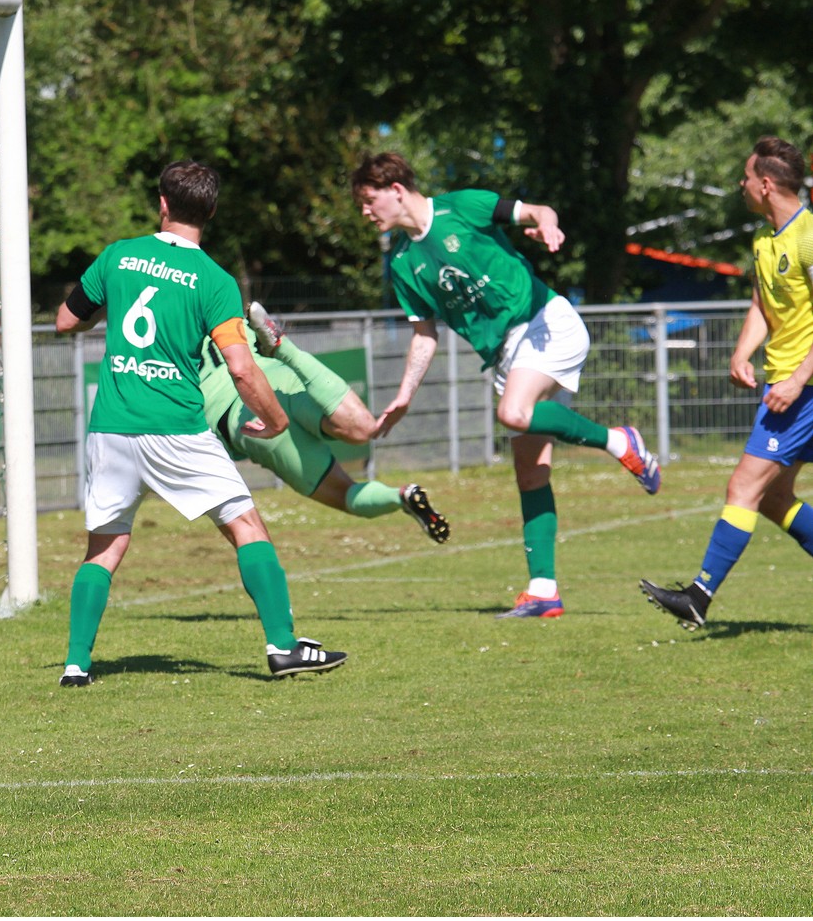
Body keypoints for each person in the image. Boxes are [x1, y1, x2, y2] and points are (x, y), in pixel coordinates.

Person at [55, 160, 346, 685]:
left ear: (163, 203)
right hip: (176, 427)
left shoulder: (117, 256)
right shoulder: (214, 280)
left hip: (112, 426)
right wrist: (277, 420)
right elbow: (241, 367)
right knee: (245, 525)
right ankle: (283, 647)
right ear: (210, 211)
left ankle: (76, 665)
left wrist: (106, 305)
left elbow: (65, 321)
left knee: (106, 544)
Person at [350, 151, 660, 619]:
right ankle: (543, 591)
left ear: (395, 190)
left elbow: (537, 211)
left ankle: (619, 441)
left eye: (369, 200)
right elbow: (425, 335)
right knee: (530, 475)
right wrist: (404, 396)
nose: (365, 211)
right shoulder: (402, 263)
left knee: (513, 414)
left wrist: (548, 226)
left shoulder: (461, 206)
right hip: (505, 355)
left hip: (543, 322)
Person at [641, 137, 813, 629]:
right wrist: (741, 353)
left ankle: (698, 596)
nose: (741, 184)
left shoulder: (807, 237)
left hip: (801, 390)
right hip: (788, 385)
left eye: (746, 176)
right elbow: (761, 304)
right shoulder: (765, 240)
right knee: (774, 498)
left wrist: (797, 381)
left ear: (766, 184)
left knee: (744, 485)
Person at [199, 302, 450, 544]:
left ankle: (400, 496)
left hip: (241, 417)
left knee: (345, 494)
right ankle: (285, 349)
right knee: (363, 430)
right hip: (278, 376)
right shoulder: (222, 310)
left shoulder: (178, 346)